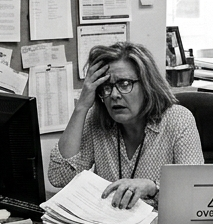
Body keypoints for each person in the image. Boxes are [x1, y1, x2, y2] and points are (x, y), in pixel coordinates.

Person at [49, 42, 203, 209]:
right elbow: (59, 177)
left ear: (147, 85)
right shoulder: (97, 119)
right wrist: (81, 107)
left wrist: (154, 187)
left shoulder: (178, 120)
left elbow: (195, 190)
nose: (114, 95)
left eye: (124, 84)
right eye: (106, 87)